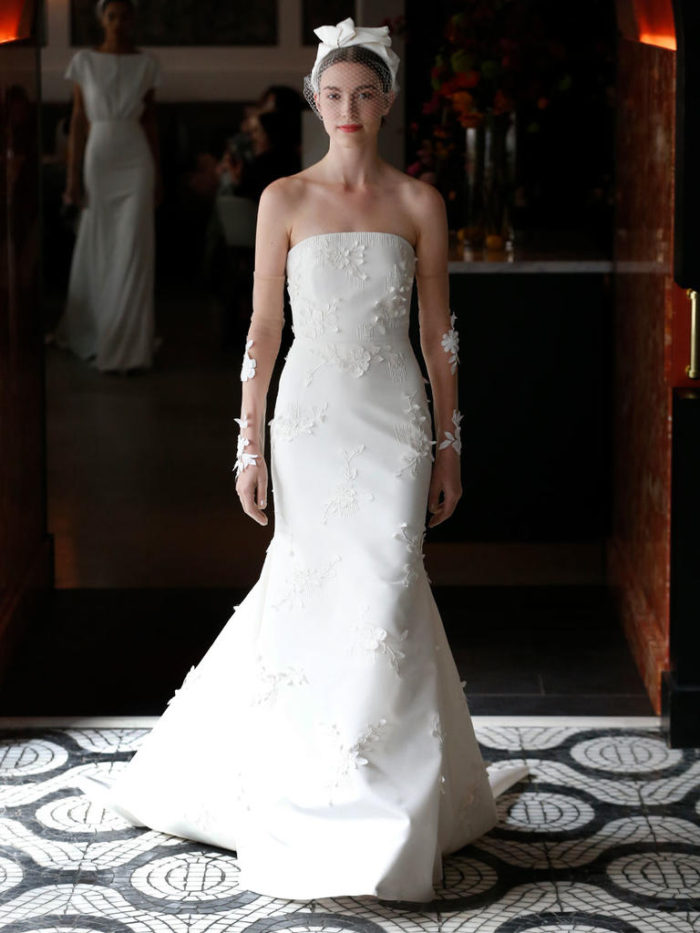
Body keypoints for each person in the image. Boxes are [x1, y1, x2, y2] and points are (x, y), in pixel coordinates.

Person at [76, 17, 529, 903]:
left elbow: (439, 338)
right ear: (317, 103)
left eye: (364, 94)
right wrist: (249, 443)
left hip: (394, 422)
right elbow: (262, 331)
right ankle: (307, 780)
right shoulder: (282, 199)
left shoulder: (420, 203)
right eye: (333, 95)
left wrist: (449, 447)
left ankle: (386, 796)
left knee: (387, 586)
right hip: (311, 422)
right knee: (309, 586)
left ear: (387, 102)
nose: (348, 109)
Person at [52, 0, 161, 373]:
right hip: (99, 158)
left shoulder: (146, 63)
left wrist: (159, 175)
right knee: (99, 242)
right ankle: (98, 331)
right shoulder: (84, 61)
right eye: (112, 15)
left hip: (136, 159)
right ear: (102, 20)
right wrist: (72, 178)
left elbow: (150, 121)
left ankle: (129, 347)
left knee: (134, 246)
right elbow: (78, 119)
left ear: (132, 20)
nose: (118, 22)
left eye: (125, 15)